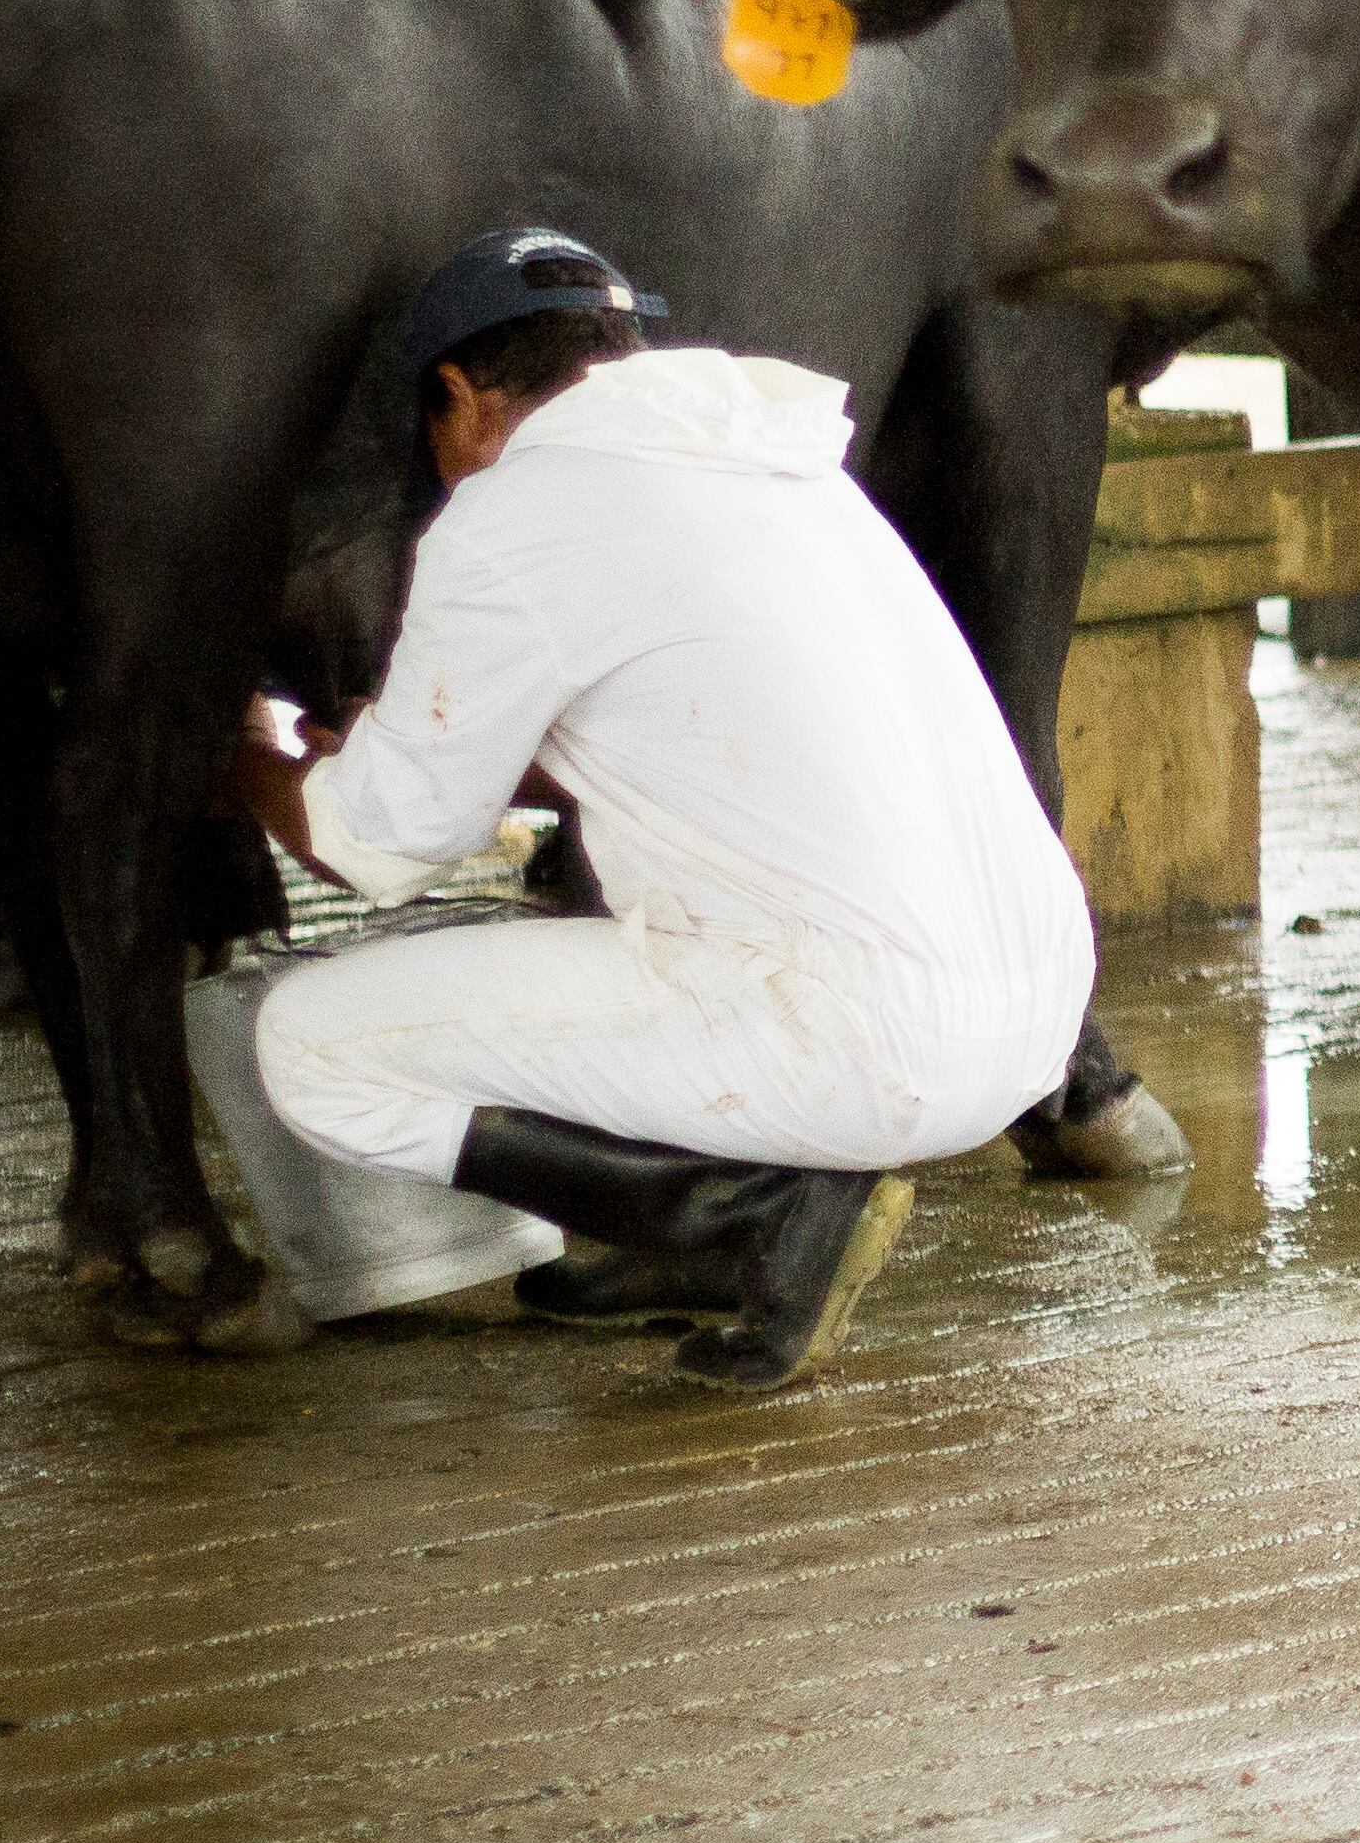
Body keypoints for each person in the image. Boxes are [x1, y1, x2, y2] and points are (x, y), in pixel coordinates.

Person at [224, 226, 1095, 1388]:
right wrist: (418, 749)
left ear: (460, 397)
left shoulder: (517, 508)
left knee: (309, 1044)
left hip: (868, 1037)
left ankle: (742, 1219)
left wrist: (236, 742)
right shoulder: (777, 463)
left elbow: (371, 843)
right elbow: (692, 735)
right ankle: (703, 1237)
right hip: (1035, 1013)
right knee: (646, 935)